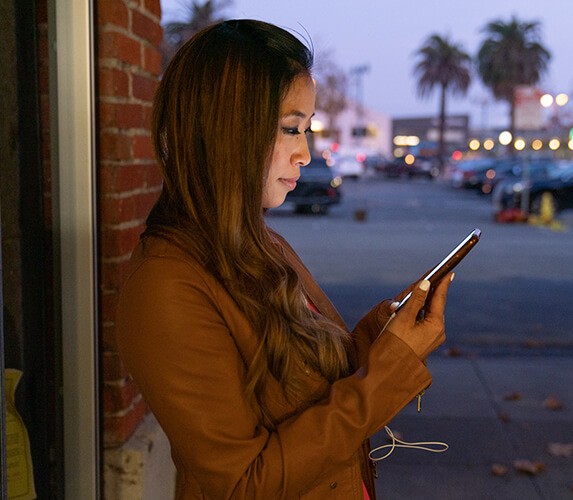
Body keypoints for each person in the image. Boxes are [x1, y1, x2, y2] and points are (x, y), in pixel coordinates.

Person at [116, 19, 453, 499]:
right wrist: (389, 372)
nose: (305, 154)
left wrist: (390, 332)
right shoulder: (166, 287)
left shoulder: (262, 243)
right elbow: (243, 484)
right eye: (291, 129)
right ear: (228, 129)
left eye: (307, 129)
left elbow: (314, 384)